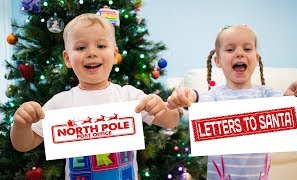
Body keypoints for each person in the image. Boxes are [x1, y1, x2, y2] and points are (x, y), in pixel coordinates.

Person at [10, 13, 179, 180]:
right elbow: (23, 144)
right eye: (81, 47)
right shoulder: (60, 103)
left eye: (101, 46)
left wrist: (162, 110)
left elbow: (171, 121)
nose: (91, 53)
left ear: (114, 55)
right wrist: (21, 124)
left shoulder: (129, 96)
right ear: (67, 59)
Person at [166, 25, 297, 180]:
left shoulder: (266, 94)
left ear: (257, 58)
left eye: (247, 49)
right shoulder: (214, 96)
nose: (239, 53)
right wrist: (190, 95)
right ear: (218, 61)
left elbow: (284, 105)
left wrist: (294, 98)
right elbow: (199, 102)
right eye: (230, 49)